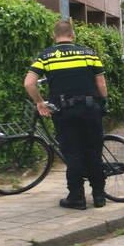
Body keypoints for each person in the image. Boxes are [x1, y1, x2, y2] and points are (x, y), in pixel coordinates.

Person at [24, 19, 108, 210]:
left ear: (54, 35)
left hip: (64, 112)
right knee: (94, 152)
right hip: (90, 109)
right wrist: (103, 103)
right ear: (73, 34)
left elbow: (29, 83)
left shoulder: (45, 56)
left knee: (73, 154)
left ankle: (77, 198)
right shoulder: (89, 53)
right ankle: (99, 196)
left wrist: (39, 102)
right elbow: (101, 83)